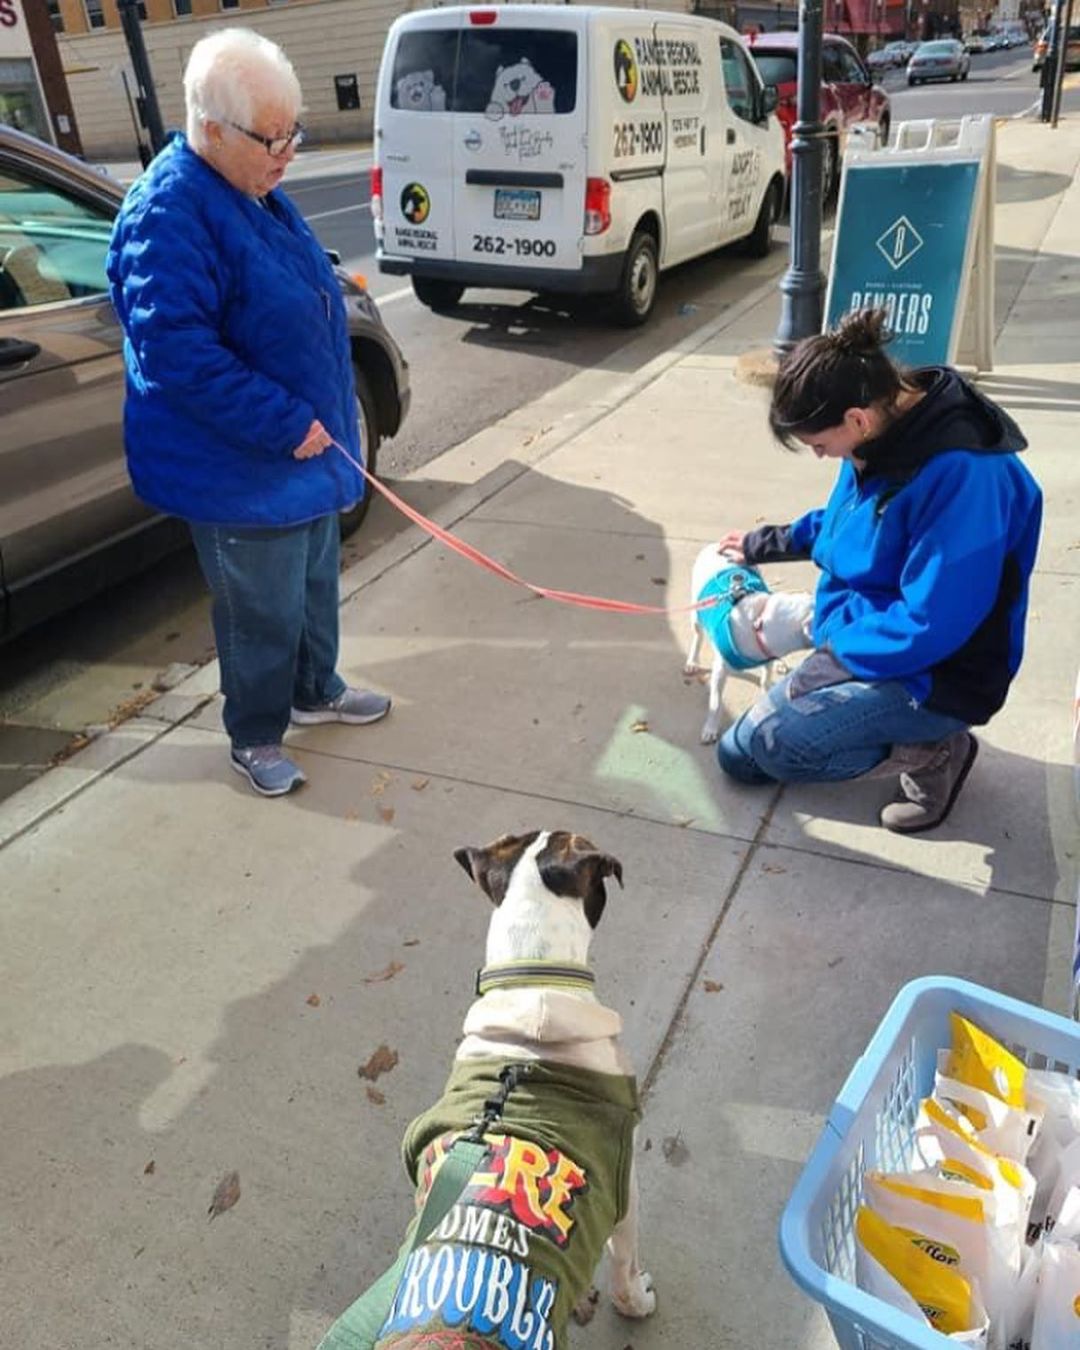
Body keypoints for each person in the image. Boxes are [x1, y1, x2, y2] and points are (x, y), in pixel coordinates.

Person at [106, 29, 390, 798]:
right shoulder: (167, 213)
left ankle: (316, 688)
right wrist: (282, 420)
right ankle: (256, 733)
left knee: (312, 584)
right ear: (210, 129)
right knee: (258, 607)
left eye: (293, 131)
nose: (287, 151)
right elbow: (177, 356)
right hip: (243, 465)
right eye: (273, 137)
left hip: (304, 452)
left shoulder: (251, 185)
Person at [715, 309, 1042, 833]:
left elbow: (932, 623)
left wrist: (835, 659)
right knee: (738, 755)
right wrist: (768, 542)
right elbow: (852, 521)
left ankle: (935, 749)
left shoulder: (966, 477)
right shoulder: (884, 427)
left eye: (820, 445)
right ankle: (823, 654)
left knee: (768, 748)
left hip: (939, 674)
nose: (822, 457)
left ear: (856, 421)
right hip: (876, 634)